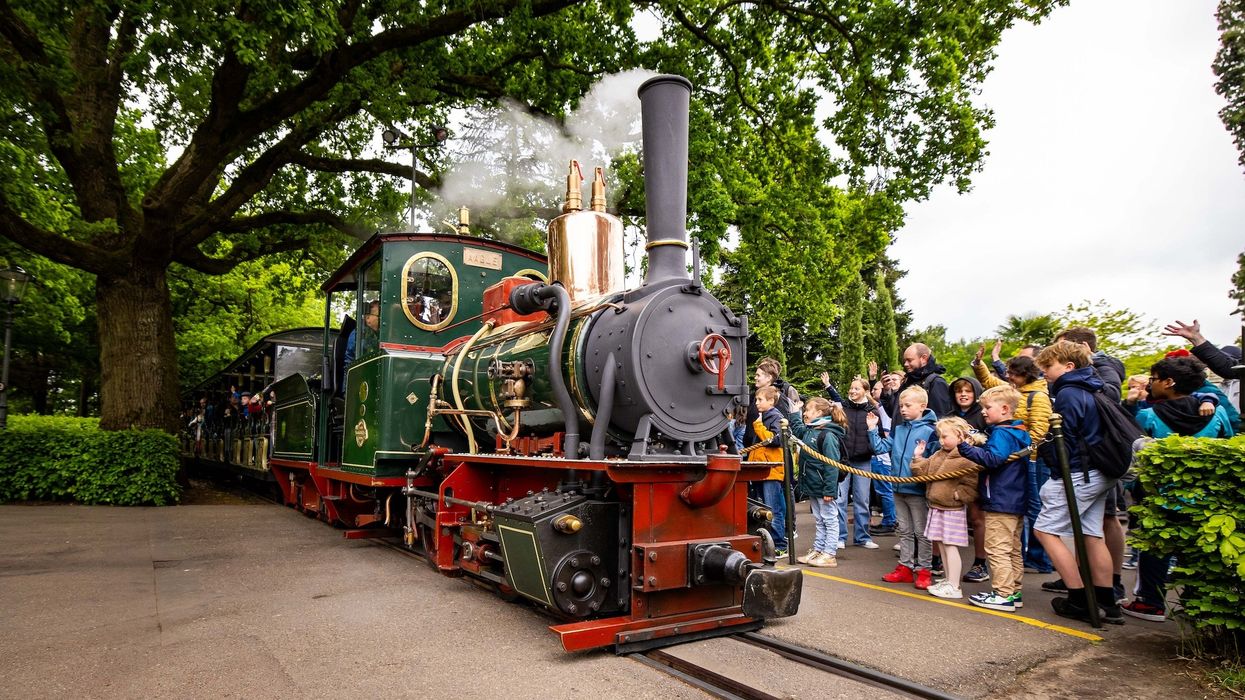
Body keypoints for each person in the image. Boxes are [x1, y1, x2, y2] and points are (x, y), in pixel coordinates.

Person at [1120, 356, 1235, 622]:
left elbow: (1132, 445)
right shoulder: (1215, 412)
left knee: (1155, 548)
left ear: (1169, 383)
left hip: (1158, 495)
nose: (1151, 384)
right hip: (1206, 495)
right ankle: (1195, 605)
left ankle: (1151, 603)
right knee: (1198, 550)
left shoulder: (1149, 415)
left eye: (1155, 378)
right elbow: (1227, 441)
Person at [1032, 341, 1125, 625]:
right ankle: (1106, 601)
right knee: (1091, 533)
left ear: (1068, 366)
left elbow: (1066, 439)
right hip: (1100, 470)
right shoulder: (1094, 387)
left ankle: (1079, 598)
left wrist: (1053, 463)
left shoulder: (1070, 392)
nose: (1045, 373)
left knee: (1045, 530)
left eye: (1048, 367)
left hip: (1078, 471)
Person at [973, 349, 1054, 574]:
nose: (1009, 378)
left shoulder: (1038, 396)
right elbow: (991, 382)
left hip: (1029, 459)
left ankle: (1040, 558)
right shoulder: (1013, 392)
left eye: (1013, 375)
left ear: (1026, 375)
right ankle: (1023, 560)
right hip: (1009, 456)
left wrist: (1015, 446)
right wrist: (979, 364)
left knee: (1033, 508)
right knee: (1017, 512)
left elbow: (1039, 431)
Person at [956, 385, 1032, 612]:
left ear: (1005, 409)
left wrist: (965, 448)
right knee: (1012, 548)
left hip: (1001, 497)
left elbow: (993, 458)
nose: (984, 412)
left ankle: (1003, 593)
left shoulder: (1002, 433)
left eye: (988, 407)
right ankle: (1014, 590)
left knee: (997, 548)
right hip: (1015, 498)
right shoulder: (1019, 431)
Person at [868, 385, 939, 590]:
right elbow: (881, 448)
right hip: (898, 487)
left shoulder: (930, 431)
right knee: (905, 531)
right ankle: (905, 567)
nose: (903, 409)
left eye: (908, 405)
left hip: (917, 489)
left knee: (921, 532)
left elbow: (933, 460)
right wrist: (873, 429)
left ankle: (924, 569)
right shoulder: (899, 429)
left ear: (922, 406)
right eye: (901, 406)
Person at [912, 417, 981, 599]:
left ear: (959, 435)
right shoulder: (939, 454)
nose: (941, 441)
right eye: (940, 437)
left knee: (950, 546)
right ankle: (949, 579)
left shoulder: (967, 457)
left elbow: (971, 484)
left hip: (951, 509)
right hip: (937, 506)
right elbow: (924, 470)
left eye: (945, 437)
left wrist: (958, 495)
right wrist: (918, 457)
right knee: (941, 544)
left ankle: (954, 585)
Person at [789, 397, 847, 567]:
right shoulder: (811, 430)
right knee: (819, 519)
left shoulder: (827, 435)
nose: (805, 413)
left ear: (819, 413)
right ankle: (819, 549)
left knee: (829, 519)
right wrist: (795, 413)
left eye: (808, 410)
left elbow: (831, 465)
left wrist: (830, 490)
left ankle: (829, 553)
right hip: (813, 485)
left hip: (823, 486)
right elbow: (798, 430)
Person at [841, 378, 889, 542]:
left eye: (856, 388)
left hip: (863, 460)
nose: (853, 391)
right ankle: (840, 536)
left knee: (862, 500)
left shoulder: (872, 411)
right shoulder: (843, 409)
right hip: (843, 460)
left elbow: (880, 435)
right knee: (840, 500)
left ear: (865, 391)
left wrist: (870, 447)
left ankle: (862, 537)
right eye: (851, 388)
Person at [749, 385, 789, 555]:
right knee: (764, 507)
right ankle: (769, 542)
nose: (757, 403)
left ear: (771, 401)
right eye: (756, 399)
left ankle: (780, 545)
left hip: (771, 470)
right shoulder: (763, 416)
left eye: (760, 400)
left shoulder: (776, 417)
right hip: (761, 468)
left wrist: (758, 427)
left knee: (773, 509)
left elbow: (774, 441)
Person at [896, 343, 953, 418]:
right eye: (905, 360)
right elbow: (895, 413)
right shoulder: (908, 381)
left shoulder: (936, 383)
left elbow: (941, 418)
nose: (905, 364)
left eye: (909, 360)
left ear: (923, 358)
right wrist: (886, 393)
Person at [343, 300, 381, 372]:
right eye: (379, 316)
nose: (381, 319)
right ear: (368, 318)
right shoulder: (361, 334)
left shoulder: (376, 334)